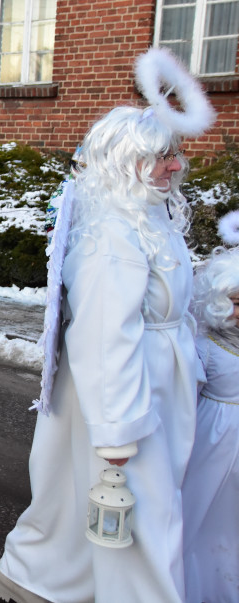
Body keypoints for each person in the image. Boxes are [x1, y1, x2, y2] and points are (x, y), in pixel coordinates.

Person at [0, 48, 212, 603]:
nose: (176, 167)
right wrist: (118, 431)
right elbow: (103, 339)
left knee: (82, 499)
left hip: (156, 385)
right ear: (125, 162)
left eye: (175, 155)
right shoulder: (113, 235)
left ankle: (41, 577)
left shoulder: (148, 215)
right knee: (142, 516)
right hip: (130, 395)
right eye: (163, 157)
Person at [181, 240, 239, 603]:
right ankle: (192, 579)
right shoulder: (206, 347)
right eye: (236, 303)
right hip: (212, 437)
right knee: (202, 504)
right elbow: (186, 396)